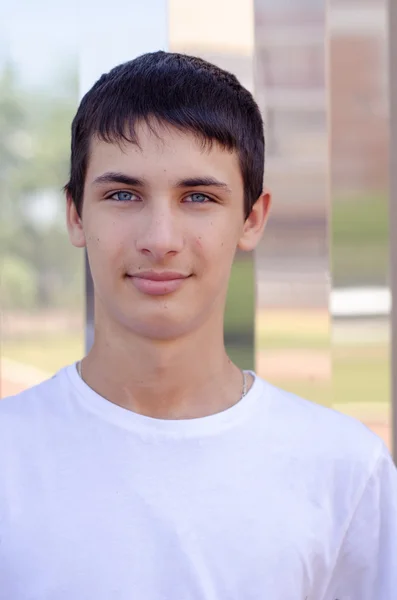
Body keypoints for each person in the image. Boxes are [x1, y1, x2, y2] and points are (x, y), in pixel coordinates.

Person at [0, 51, 396, 600]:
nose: (160, 238)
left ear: (252, 219)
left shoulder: (347, 471)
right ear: (75, 214)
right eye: (122, 194)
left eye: (198, 197)